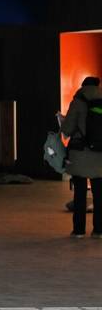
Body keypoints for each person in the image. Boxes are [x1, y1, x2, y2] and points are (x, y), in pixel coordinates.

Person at [62, 76, 102, 237]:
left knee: (79, 192)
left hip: (79, 152)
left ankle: (78, 230)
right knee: (99, 193)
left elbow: (67, 129)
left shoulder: (78, 101)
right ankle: (99, 230)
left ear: (83, 86)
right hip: (100, 153)